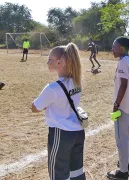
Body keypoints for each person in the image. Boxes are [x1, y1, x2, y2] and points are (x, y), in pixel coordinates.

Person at [32, 43, 86, 180]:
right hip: (78, 132)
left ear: (59, 62)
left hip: (61, 134)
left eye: (50, 59)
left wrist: (43, 104)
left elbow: (35, 108)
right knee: (77, 172)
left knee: (58, 174)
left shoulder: (53, 88)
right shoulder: (76, 81)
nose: (47, 62)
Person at [107, 37, 129, 180]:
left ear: (122, 48)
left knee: (121, 139)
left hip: (123, 106)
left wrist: (116, 104)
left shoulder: (123, 63)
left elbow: (124, 84)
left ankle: (123, 172)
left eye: (114, 46)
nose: (112, 49)